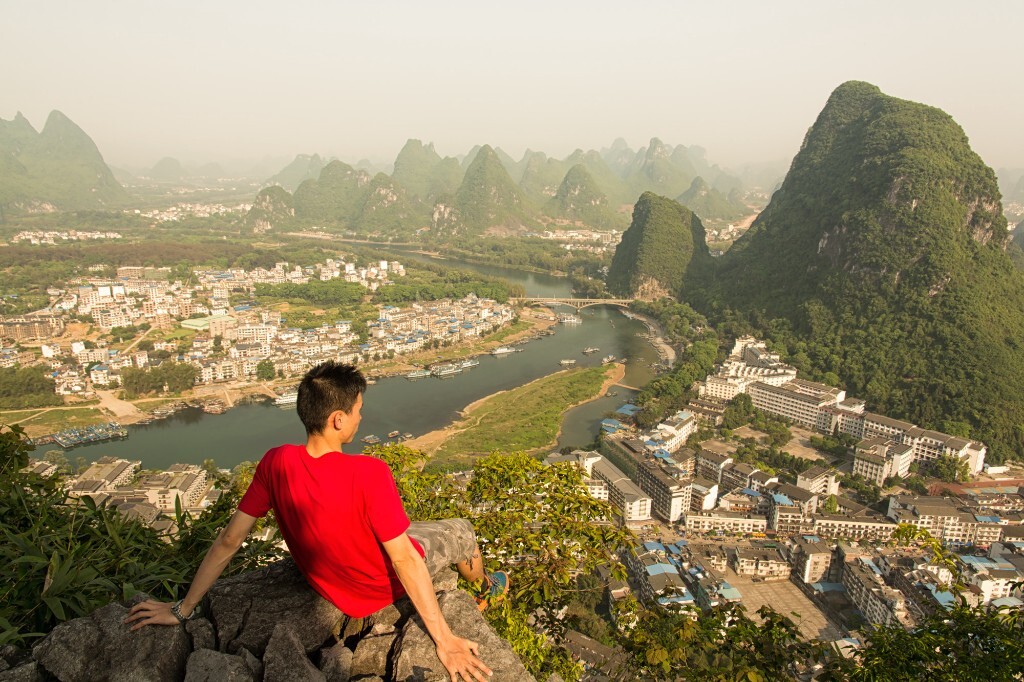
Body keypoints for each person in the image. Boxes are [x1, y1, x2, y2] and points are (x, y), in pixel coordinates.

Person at [126, 361, 508, 682]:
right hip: (375, 589)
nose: (361, 415)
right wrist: (445, 639)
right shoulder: (368, 473)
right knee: (461, 530)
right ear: (338, 419)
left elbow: (229, 539)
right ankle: (485, 586)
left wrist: (184, 609)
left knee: (403, 530)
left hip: (327, 585)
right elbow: (405, 560)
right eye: (358, 409)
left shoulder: (275, 462)